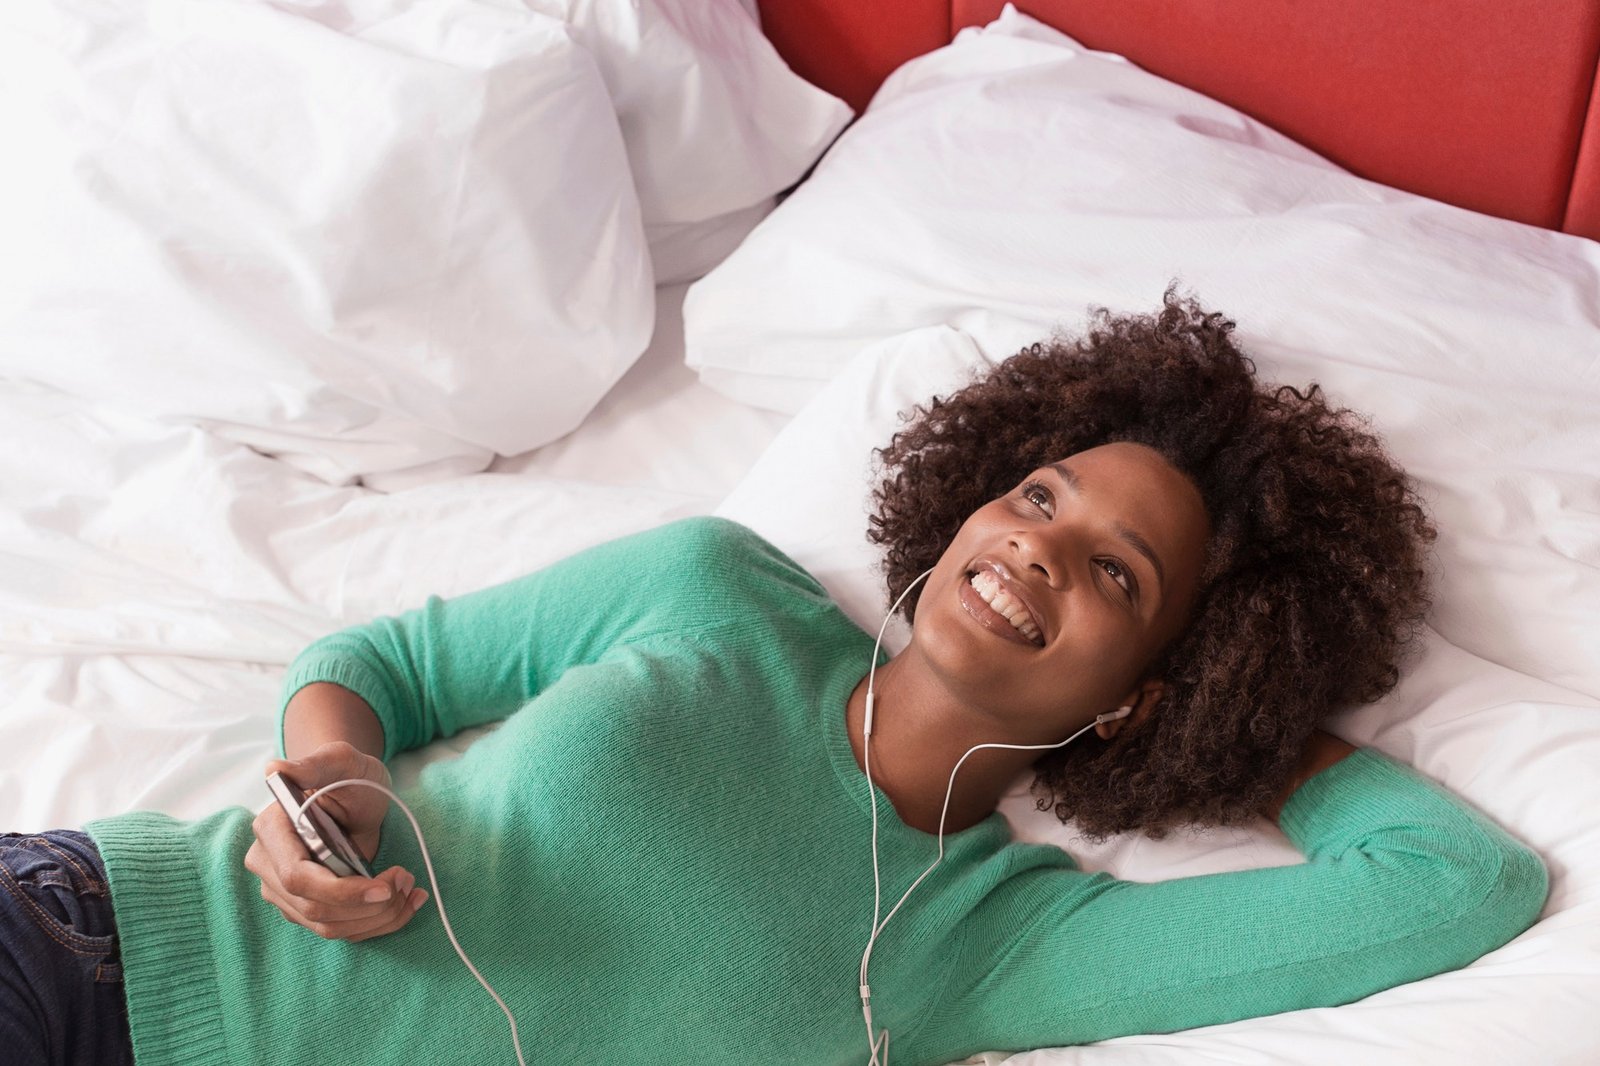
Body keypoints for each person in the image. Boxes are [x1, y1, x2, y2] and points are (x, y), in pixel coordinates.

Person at [2, 290, 1548, 1066]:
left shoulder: (994, 941)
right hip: (108, 945)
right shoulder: (713, 588)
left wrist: (1240, 738)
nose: (1039, 551)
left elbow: (1449, 881)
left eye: (1120, 578)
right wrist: (329, 778)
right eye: (1039, 497)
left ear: (1153, 682)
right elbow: (381, 662)